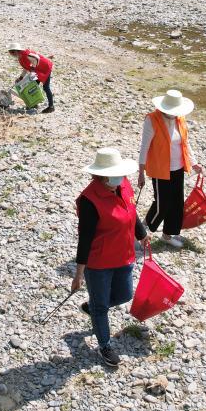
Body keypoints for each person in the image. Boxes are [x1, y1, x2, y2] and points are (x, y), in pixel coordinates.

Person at [71, 147, 150, 367]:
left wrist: (141, 234)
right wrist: (78, 275)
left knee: (124, 295)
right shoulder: (89, 200)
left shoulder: (123, 184)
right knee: (102, 308)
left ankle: (93, 306)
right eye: (113, 175)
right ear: (101, 176)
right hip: (99, 263)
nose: (119, 178)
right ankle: (104, 346)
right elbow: (85, 239)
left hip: (124, 256)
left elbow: (131, 211)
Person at [138, 90, 203, 249]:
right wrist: (141, 173)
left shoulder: (180, 119)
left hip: (178, 168)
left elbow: (185, 143)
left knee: (176, 204)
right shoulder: (152, 120)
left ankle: (167, 235)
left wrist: (194, 163)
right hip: (160, 169)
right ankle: (141, 233)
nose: (174, 114)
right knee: (162, 205)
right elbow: (144, 147)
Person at [8, 44, 55, 113]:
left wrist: (33, 69)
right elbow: (26, 67)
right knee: (32, 86)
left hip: (45, 68)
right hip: (38, 70)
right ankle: (34, 104)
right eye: (10, 52)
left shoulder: (26, 54)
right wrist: (21, 77)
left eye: (13, 52)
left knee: (46, 87)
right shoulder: (20, 57)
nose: (12, 54)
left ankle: (51, 106)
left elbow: (36, 58)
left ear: (17, 51)